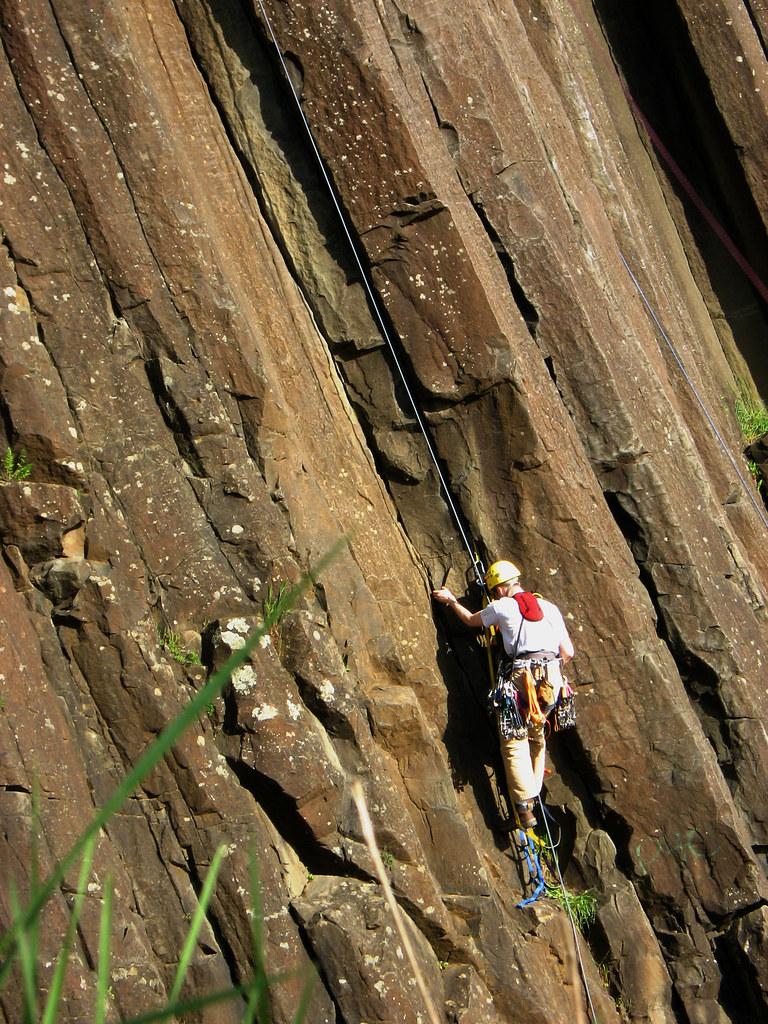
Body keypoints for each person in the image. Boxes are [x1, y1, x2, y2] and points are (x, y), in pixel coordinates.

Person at [432, 559, 574, 829]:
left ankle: (523, 806)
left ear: (497, 589)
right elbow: (568, 651)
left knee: (513, 742)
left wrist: (451, 601)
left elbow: (472, 621)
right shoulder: (550, 608)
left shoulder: (502, 606)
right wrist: (548, 669)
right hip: (551, 680)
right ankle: (532, 796)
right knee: (537, 736)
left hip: (522, 678)